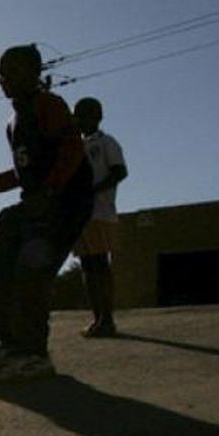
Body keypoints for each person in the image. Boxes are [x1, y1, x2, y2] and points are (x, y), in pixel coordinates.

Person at [0, 44, 93, 381]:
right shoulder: (13, 122)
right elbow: (23, 170)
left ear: (34, 73)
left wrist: (51, 189)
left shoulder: (49, 105)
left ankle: (35, 354)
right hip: (34, 205)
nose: (5, 79)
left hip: (64, 203)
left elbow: (72, 147)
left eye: (13, 71)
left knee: (31, 269)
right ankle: (11, 346)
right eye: (1, 73)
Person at [73, 97, 128, 338]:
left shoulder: (107, 143)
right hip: (81, 215)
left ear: (97, 117)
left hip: (101, 212)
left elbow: (120, 172)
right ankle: (97, 318)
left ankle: (107, 319)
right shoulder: (76, 146)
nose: (79, 120)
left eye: (84, 115)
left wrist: (94, 190)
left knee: (100, 265)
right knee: (87, 266)